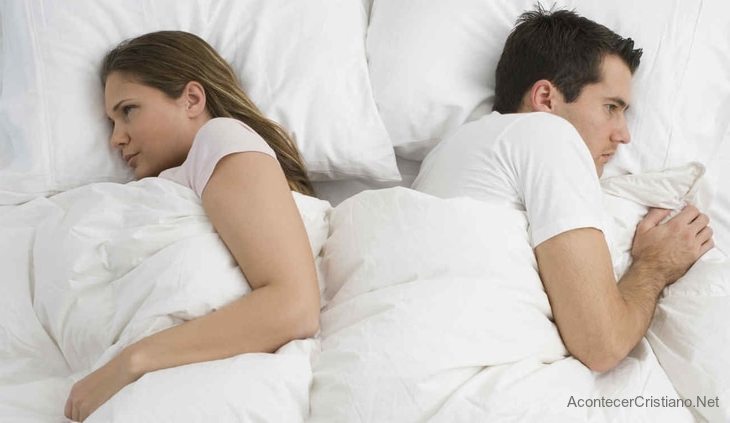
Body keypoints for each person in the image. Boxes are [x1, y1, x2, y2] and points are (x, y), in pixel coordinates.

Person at [413, 7, 714, 373]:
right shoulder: (548, 133)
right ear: (546, 99)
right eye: (610, 107)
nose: (624, 134)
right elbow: (602, 344)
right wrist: (654, 265)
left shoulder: (447, 151)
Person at [64, 31, 320, 421]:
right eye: (111, 121)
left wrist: (129, 363)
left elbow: (295, 306)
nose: (116, 138)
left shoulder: (220, 138)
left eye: (128, 110)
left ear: (192, 99)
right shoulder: (187, 174)